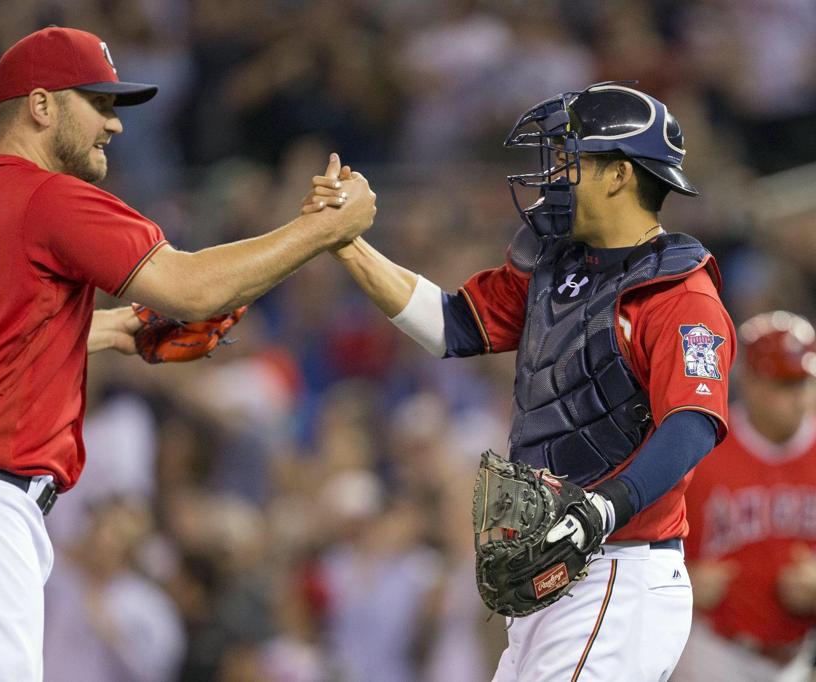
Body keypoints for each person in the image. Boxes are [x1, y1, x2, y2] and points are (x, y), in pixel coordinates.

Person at [0, 26, 376, 681]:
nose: (115, 125)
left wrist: (107, 330)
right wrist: (323, 229)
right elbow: (191, 288)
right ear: (41, 106)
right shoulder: (42, 194)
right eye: (98, 103)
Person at [308, 82, 736, 680]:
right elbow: (453, 325)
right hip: (556, 573)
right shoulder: (558, 267)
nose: (555, 175)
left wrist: (601, 510)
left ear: (619, 176)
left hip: (621, 570)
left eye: (573, 159)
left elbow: (692, 425)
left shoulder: (681, 296)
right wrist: (347, 245)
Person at [676, 311, 816, 682]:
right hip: (716, 652)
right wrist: (682, 580)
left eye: (803, 382)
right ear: (750, 382)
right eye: (783, 384)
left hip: (801, 654)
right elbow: (651, 551)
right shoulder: (704, 448)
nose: (797, 397)